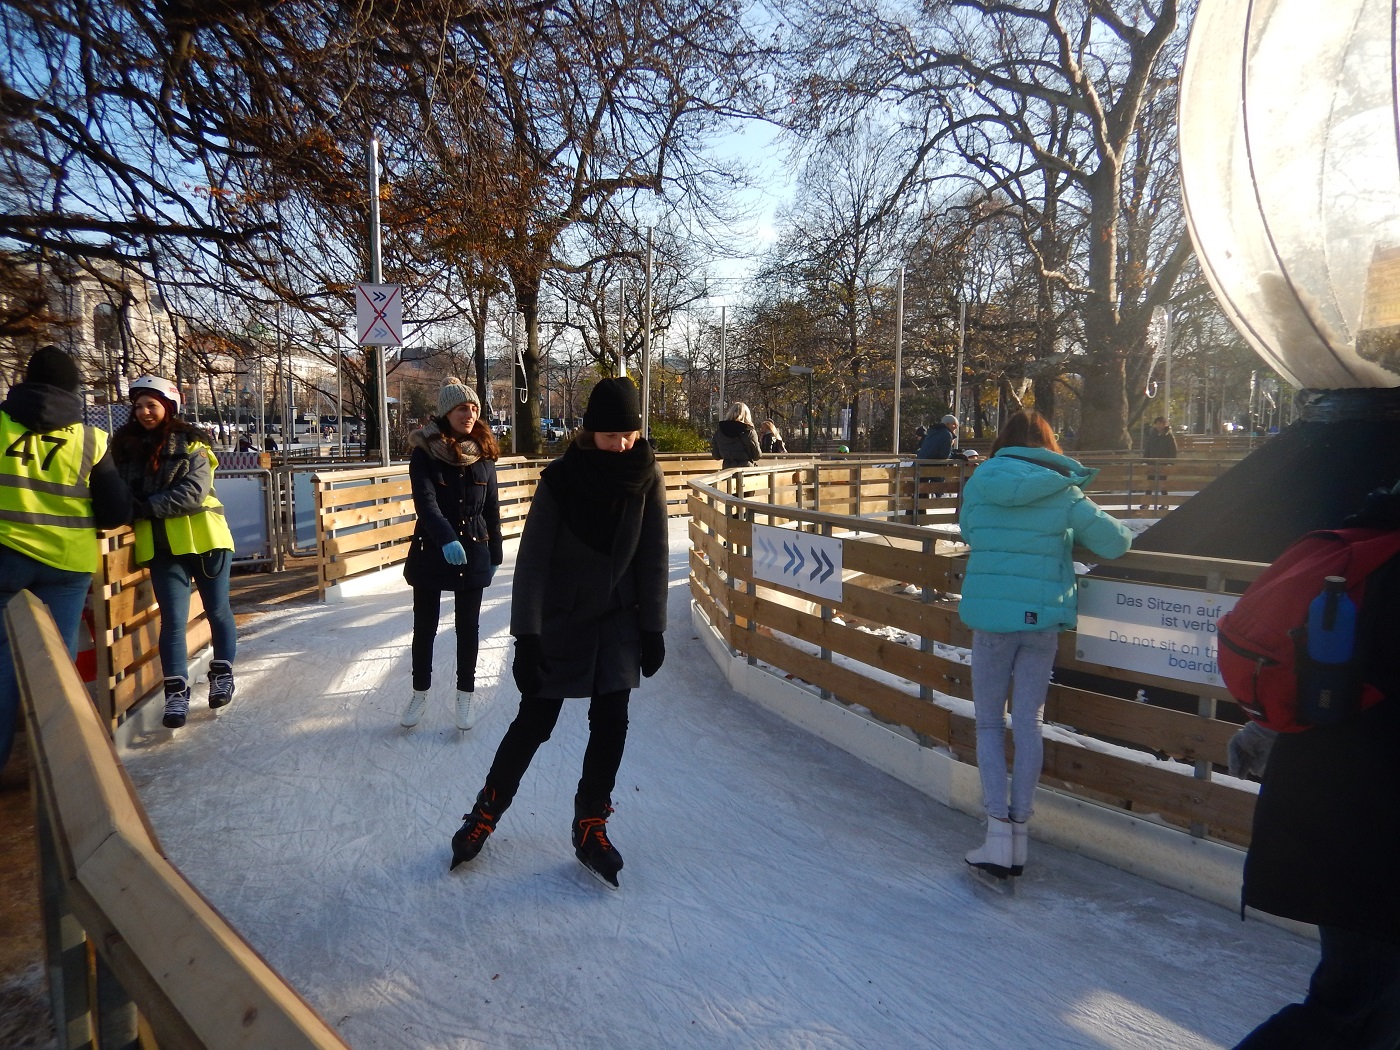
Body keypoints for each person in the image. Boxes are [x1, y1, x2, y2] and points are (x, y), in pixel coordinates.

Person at [449, 377, 668, 888]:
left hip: (617, 619)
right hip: (562, 620)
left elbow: (654, 555)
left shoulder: (646, 474)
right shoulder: (561, 480)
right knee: (534, 722)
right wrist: (527, 636)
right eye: (611, 435)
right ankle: (485, 812)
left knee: (612, 721)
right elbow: (533, 564)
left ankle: (591, 822)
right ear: (590, 432)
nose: (621, 444)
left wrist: (653, 627)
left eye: (629, 434)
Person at [1229, 482, 1400, 1049]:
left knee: (1368, 1004)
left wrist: (1264, 726)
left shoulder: (1364, 542)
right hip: (1369, 822)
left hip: (1327, 802)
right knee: (1354, 1000)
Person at [957, 409, 1132, 878]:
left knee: (990, 725)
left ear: (1005, 442)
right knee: (1028, 723)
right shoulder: (1063, 489)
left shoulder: (980, 481)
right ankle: (1020, 835)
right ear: (1048, 444)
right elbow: (1115, 543)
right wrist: (1067, 534)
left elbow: (970, 532)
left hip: (992, 618)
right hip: (1041, 618)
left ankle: (997, 836)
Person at [0, 346, 132, 772]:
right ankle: (61, 767)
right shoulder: (91, 439)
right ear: (73, 388)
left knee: (3, 660)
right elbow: (114, 512)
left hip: (6, 557)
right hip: (68, 565)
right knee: (59, 661)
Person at [112, 376, 237, 730]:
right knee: (172, 621)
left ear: (169, 406)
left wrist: (143, 507)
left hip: (205, 540)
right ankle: (176, 693)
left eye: (151, 405)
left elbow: (193, 493)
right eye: (138, 406)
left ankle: (223, 672)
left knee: (217, 610)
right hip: (162, 546)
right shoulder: (124, 449)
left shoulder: (193, 443)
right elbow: (115, 491)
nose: (144, 412)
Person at [400, 378, 503, 732]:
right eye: (463, 408)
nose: (470, 414)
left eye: (474, 408)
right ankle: (419, 693)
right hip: (432, 549)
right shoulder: (425, 453)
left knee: (468, 629)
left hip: (474, 547)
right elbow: (426, 504)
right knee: (424, 627)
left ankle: (465, 695)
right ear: (447, 412)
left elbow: (491, 507)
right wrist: (445, 538)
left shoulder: (483, 453)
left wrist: (496, 551)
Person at [710, 402, 762, 468]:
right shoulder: (749, 432)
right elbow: (757, 456)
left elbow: (716, 456)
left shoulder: (720, 431)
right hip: (745, 470)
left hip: (727, 471)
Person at [1142, 415, 1178, 511]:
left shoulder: (1169, 436)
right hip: (1152, 463)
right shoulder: (1152, 435)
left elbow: (1173, 450)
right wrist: (1145, 461)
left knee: (1163, 485)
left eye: (1161, 423)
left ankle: (1165, 503)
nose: (1159, 426)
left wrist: (1170, 463)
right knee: (1149, 484)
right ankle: (1146, 503)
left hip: (1163, 464)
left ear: (1165, 424)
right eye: (1157, 423)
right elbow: (1148, 448)